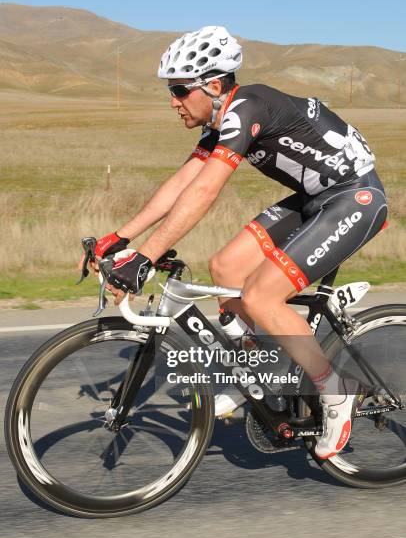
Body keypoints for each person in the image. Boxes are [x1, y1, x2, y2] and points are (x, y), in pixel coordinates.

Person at [84, 25, 388, 459]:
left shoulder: (248, 106)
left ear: (211, 85)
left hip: (355, 198)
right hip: (316, 198)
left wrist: (146, 258)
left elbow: (206, 191)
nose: (172, 101)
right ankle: (264, 371)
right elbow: (181, 184)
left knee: (263, 297)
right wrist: (121, 239)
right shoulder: (222, 120)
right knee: (225, 268)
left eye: (178, 90)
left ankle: (336, 390)